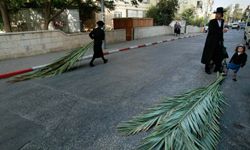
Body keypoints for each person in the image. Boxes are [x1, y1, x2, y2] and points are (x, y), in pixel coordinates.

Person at [201, 7, 228, 74]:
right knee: (209, 55)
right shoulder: (212, 21)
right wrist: (221, 31)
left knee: (218, 55)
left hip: (219, 42)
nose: (217, 15)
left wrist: (225, 30)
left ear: (221, 14)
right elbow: (212, 31)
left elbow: (224, 28)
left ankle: (217, 68)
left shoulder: (222, 21)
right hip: (211, 42)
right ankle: (207, 68)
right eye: (216, 14)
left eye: (219, 14)